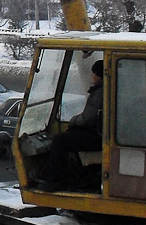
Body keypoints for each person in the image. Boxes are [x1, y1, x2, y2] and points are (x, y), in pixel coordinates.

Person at [39, 59, 104, 191]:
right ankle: (80, 176)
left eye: (93, 73)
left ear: (99, 76)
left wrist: (73, 121)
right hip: (99, 134)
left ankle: (56, 181)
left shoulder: (99, 93)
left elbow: (87, 119)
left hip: (96, 137)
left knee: (60, 141)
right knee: (69, 136)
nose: (91, 75)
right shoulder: (102, 90)